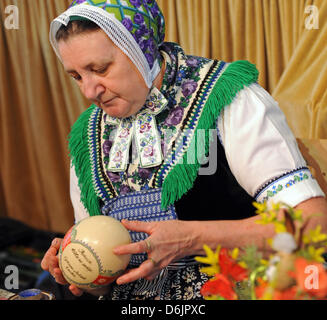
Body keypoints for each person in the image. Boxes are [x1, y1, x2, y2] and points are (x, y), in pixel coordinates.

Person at [41, 0, 327, 300]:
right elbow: (105, 280)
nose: (89, 91)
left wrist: (193, 239)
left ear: (142, 49)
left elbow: (314, 224)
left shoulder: (228, 98)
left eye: (99, 69)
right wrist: (82, 272)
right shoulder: (87, 134)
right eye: (76, 76)